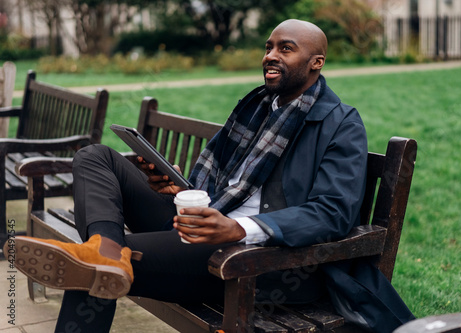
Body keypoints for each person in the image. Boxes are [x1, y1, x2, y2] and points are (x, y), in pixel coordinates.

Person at [6, 19, 414, 332]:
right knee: (96, 157)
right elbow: (229, 185)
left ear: (315, 63)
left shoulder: (339, 123)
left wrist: (238, 230)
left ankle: (106, 257)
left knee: (90, 275)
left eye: (285, 49)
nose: (270, 55)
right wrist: (177, 187)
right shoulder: (257, 109)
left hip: (263, 260)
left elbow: (332, 213)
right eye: (269, 46)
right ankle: (106, 250)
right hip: (205, 224)